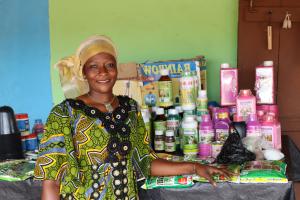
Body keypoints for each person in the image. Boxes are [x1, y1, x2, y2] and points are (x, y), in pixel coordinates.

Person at [34, 35, 231, 200]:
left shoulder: (130, 108)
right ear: (83, 72)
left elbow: (144, 162)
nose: (103, 72)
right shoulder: (65, 114)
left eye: (109, 64)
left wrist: (195, 167)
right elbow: (51, 182)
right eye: (93, 66)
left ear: (116, 69)